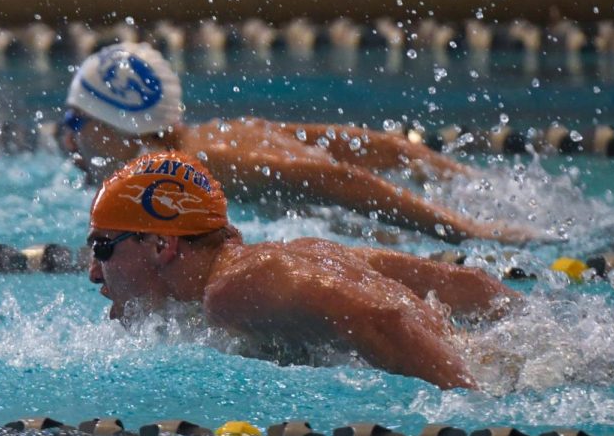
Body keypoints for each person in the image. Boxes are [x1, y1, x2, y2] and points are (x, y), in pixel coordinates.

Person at [86, 151, 521, 390]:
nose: (93, 272)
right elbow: (467, 284)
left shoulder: (233, 291)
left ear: (162, 244)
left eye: (103, 247)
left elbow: (383, 320)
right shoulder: (300, 253)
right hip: (514, 356)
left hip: (493, 378)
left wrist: (474, 415)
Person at [63, 41, 539, 244]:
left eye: (76, 120)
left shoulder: (198, 163)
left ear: (117, 125)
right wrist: (477, 182)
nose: (68, 140)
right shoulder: (219, 132)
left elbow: (336, 178)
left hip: (363, 228)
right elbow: (377, 146)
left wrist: (467, 231)